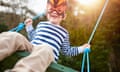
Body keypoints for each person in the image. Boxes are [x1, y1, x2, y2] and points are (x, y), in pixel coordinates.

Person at [0, 0, 90, 72]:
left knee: (45, 48)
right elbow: (33, 37)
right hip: (32, 47)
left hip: (47, 54)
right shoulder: (41, 24)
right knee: (15, 36)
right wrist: (29, 27)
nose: (54, 12)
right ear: (47, 13)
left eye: (59, 11)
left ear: (64, 16)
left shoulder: (64, 33)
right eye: (51, 9)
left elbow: (67, 51)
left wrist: (82, 48)